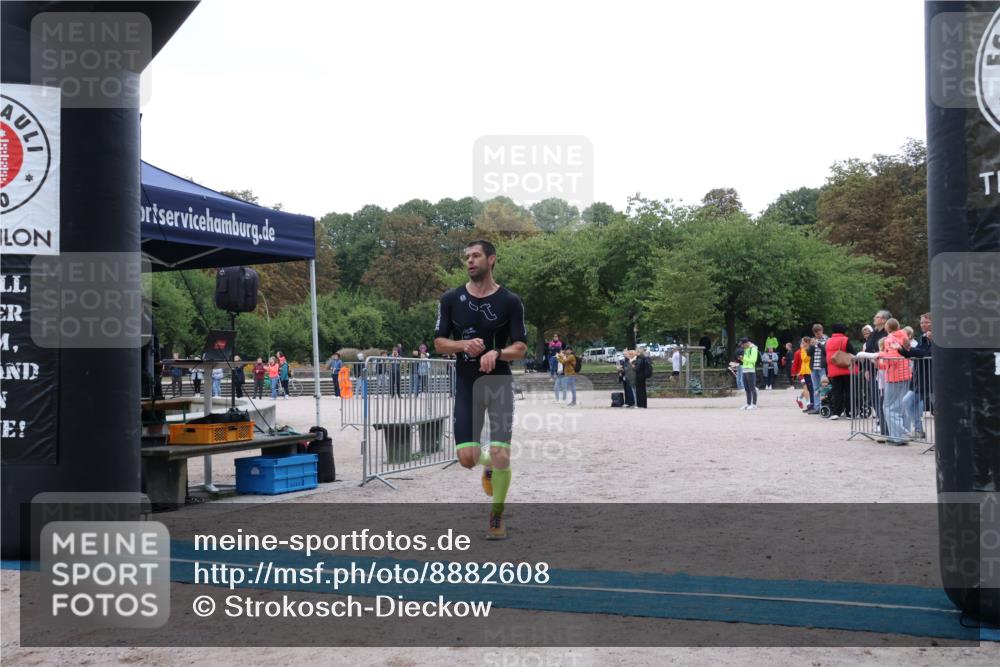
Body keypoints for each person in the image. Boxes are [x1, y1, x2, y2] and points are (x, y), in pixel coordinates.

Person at [434, 239, 527, 540]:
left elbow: (521, 347)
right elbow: (439, 342)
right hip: (466, 384)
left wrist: (497, 353)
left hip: (499, 384)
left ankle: (497, 516)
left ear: (491, 260)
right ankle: (489, 465)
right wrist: (463, 345)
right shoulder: (450, 298)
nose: (470, 261)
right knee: (467, 459)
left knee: (502, 454)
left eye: (476, 256)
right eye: (467, 257)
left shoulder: (510, 301)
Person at [862, 310, 891, 436]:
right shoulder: (873, 334)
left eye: (877, 316)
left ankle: (886, 426)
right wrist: (867, 368)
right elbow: (868, 350)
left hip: (885, 370)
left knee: (883, 398)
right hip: (873, 369)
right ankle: (880, 421)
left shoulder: (888, 334)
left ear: (884, 320)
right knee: (874, 397)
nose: (875, 318)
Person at [823, 323, 856, 420]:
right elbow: (852, 352)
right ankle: (849, 412)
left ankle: (836, 412)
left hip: (833, 369)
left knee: (836, 391)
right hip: (846, 368)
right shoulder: (845, 340)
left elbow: (826, 354)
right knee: (848, 391)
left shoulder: (828, 341)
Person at [809, 323, 828, 414]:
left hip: (822, 367)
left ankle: (824, 406)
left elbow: (826, 351)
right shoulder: (813, 340)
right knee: (815, 387)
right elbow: (809, 354)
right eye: (815, 333)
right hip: (814, 367)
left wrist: (819, 344)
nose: (817, 334)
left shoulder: (826, 339)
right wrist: (812, 345)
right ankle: (817, 407)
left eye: (819, 332)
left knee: (824, 387)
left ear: (822, 330)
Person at [739, 337, 759, 410]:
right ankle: (748, 403)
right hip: (745, 370)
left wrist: (743, 359)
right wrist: (742, 359)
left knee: (752, 388)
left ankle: (754, 404)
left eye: (743, 345)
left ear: (747, 343)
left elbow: (753, 360)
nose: (742, 346)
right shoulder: (746, 349)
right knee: (747, 388)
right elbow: (747, 360)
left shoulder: (753, 349)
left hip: (751, 370)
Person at [796, 337, 815, 412]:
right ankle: (811, 405)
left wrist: (808, 352)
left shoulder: (806, 349)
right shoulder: (803, 350)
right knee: (810, 389)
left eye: (803, 342)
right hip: (805, 371)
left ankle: (812, 405)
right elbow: (804, 358)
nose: (802, 343)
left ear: (807, 342)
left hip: (809, 371)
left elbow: (806, 358)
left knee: (811, 389)